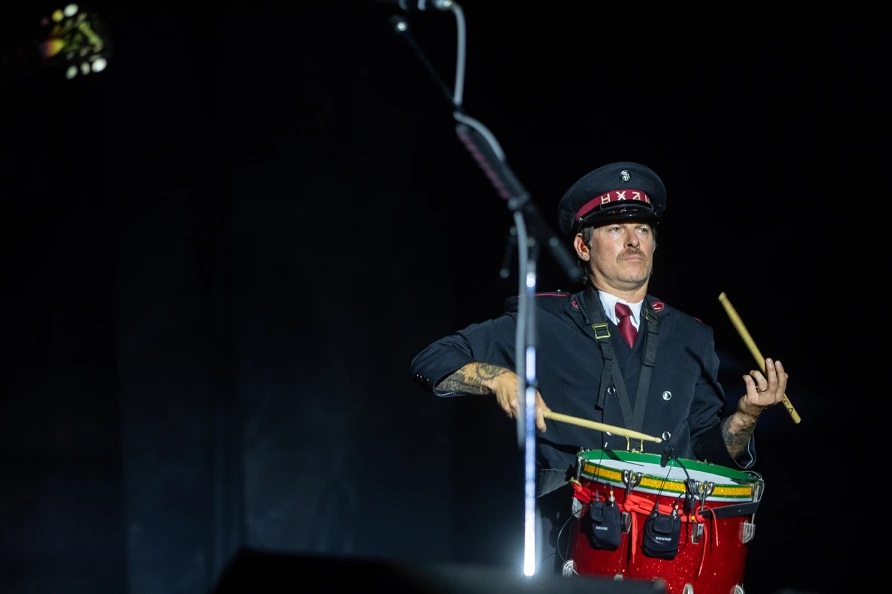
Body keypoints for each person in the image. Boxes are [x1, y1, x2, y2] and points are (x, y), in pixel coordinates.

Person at [409, 161, 788, 575]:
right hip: (568, 545)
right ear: (583, 247)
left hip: (669, 556)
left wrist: (747, 418)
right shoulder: (544, 320)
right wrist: (500, 378)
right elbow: (433, 360)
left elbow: (709, 456)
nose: (633, 242)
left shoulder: (692, 336)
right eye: (615, 229)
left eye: (642, 229)